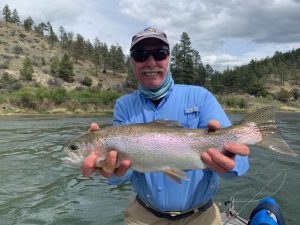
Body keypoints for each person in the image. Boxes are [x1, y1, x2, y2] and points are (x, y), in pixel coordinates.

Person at [82, 27, 250, 225]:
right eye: (141, 55)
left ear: (168, 58)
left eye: (159, 54)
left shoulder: (201, 96)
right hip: (143, 216)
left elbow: (240, 165)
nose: (151, 62)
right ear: (132, 61)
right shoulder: (123, 106)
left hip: (201, 217)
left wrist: (229, 162)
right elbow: (124, 173)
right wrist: (109, 170)